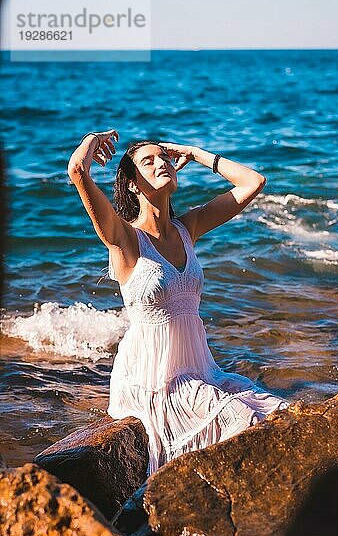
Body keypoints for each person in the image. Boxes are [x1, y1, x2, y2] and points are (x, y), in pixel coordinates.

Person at [68, 129, 288, 475]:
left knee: (276, 411)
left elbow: (253, 182)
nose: (162, 163)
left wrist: (196, 152)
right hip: (154, 377)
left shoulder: (188, 228)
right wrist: (94, 140)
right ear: (132, 183)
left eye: (165, 157)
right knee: (240, 419)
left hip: (201, 370)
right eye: (149, 160)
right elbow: (78, 172)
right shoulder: (125, 239)